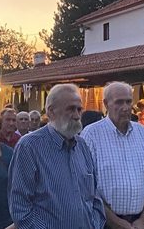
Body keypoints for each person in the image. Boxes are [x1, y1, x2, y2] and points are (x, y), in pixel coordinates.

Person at [8, 84, 105, 228]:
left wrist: (95, 224)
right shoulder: (29, 146)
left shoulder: (82, 145)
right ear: (51, 112)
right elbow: (20, 207)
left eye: (79, 109)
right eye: (70, 109)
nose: (77, 116)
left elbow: (94, 196)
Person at [81, 81, 144, 229]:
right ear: (106, 104)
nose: (125, 107)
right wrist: (115, 222)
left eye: (128, 101)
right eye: (119, 102)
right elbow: (86, 187)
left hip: (139, 223)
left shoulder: (142, 132)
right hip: (105, 223)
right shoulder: (91, 134)